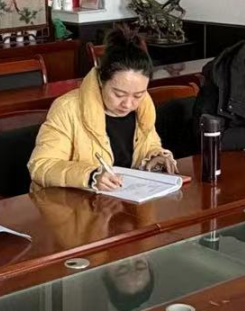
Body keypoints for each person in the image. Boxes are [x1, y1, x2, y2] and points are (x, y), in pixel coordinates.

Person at [28, 27, 177, 191]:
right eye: (119, 94)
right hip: (73, 203)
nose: (128, 104)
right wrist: (91, 176)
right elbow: (41, 165)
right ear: (101, 80)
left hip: (124, 199)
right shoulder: (68, 108)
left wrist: (154, 158)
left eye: (138, 95)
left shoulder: (144, 107)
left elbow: (149, 145)